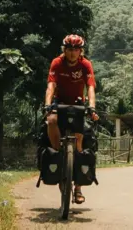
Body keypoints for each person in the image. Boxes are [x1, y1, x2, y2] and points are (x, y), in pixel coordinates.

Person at [43, 34, 99, 204]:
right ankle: (58, 154)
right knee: (51, 121)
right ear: (64, 50)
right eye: (69, 49)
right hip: (59, 102)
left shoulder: (85, 64)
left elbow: (90, 87)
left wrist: (92, 107)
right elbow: (51, 86)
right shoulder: (57, 63)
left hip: (78, 104)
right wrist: (47, 105)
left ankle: (78, 188)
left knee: (79, 143)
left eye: (76, 49)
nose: (73, 52)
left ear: (81, 51)